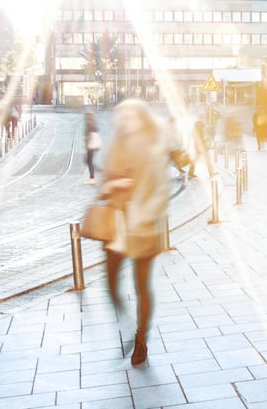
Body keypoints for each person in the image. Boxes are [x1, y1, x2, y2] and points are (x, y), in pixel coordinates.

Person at [100, 99, 170, 365]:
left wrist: (143, 215)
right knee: (110, 286)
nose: (123, 120)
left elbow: (161, 191)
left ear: (142, 117)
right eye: (120, 115)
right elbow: (104, 183)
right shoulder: (117, 142)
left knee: (142, 286)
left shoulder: (153, 144)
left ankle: (141, 340)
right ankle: (130, 326)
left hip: (143, 227)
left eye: (129, 115)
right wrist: (114, 183)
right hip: (115, 224)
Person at [84, 112, 101, 185]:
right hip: (91, 145)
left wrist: (87, 144)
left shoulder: (89, 124)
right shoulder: (92, 123)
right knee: (88, 161)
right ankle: (94, 175)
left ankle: (92, 178)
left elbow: (89, 136)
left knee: (88, 161)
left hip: (90, 146)